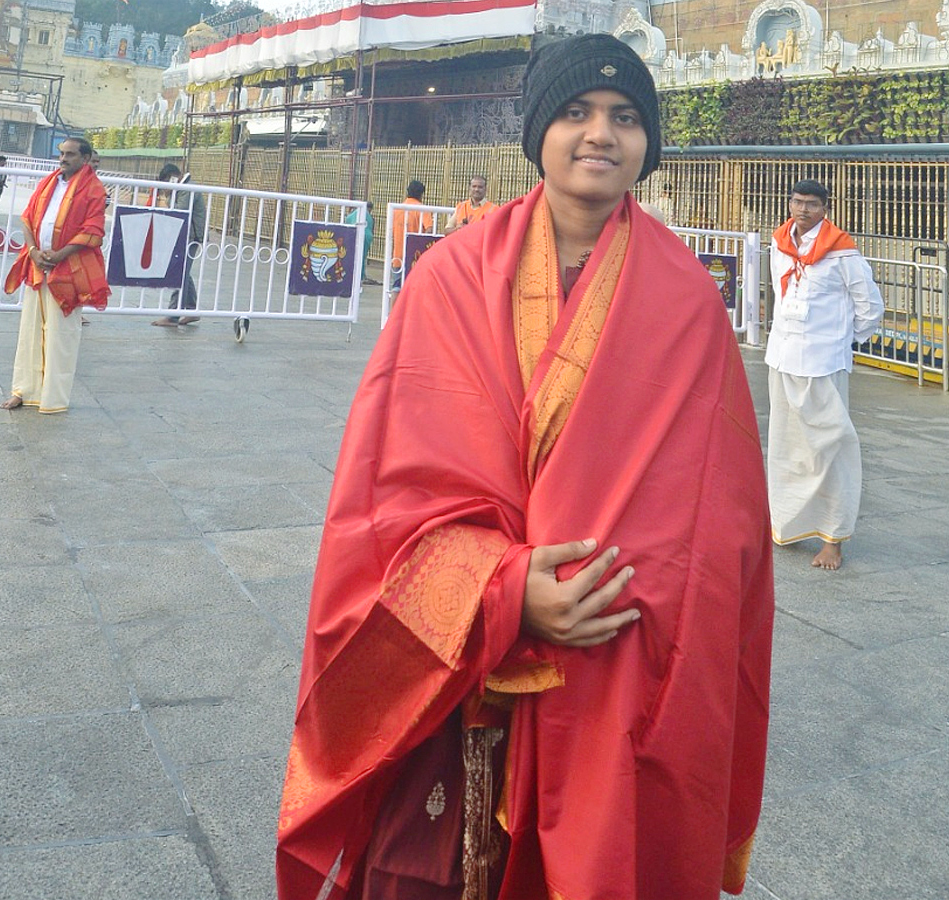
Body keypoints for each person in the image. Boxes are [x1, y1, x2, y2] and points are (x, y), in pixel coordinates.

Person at [277, 33, 774, 900]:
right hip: (456, 678)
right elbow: (388, 490)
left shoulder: (690, 298)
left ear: (647, 143)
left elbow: (714, 519)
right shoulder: (452, 277)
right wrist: (508, 594)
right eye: (576, 112)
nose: (599, 135)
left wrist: (612, 595)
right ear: (538, 131)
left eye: (624, 118)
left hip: (615, 660)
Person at [766, 178, 885, 570]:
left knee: (831, 447)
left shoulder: (843, 252)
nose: (803, 209)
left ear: (824, 209)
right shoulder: (779, 243)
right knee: (787, 447)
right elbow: (781, 296)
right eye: (797, 201)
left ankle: (833, 537)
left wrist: (841, 341)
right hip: (783, 357)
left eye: (812, 204)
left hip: (822, 363)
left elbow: (870, 306)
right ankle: (785, 524)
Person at [0, 137, 109, 413]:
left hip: (70, 268)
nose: (63, 159)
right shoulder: (48, 182)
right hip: (38, 264)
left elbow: (93, 231)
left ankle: (53, 398)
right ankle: (22, 390)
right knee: (30, 331)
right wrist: (35, 251)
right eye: (61, 154)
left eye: (70, 155)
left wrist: (59, 255)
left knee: (62, 334)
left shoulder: (94, 189)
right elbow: (27, 218)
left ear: (85, 159)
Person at [150, 163, 207, 327]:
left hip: (190, 236)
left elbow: (179, 211)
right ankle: (191, 309)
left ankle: (172, 316)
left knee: (179, 274)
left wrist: (168, 194)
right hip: (185, 235)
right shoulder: (182, 189)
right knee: (184, 272)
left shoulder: (187, 189)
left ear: (173, 178)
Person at [390, 179, 426, 288]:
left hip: (398, 256)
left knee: (396, 288)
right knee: (414, 289)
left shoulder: (397, 209)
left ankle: (395, 306)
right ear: (421, 194)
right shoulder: (423, 209)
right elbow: (429, 230)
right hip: (415, 257)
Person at [345, 200, 377, 284]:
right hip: (366, 237)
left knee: (352, 255)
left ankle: (350, 274)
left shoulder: (356, 212)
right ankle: (361, 276)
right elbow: (371, 229)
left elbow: (347, 219)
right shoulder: (370, 217)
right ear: (369, 208)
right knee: (362, 257)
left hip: (354, 235)